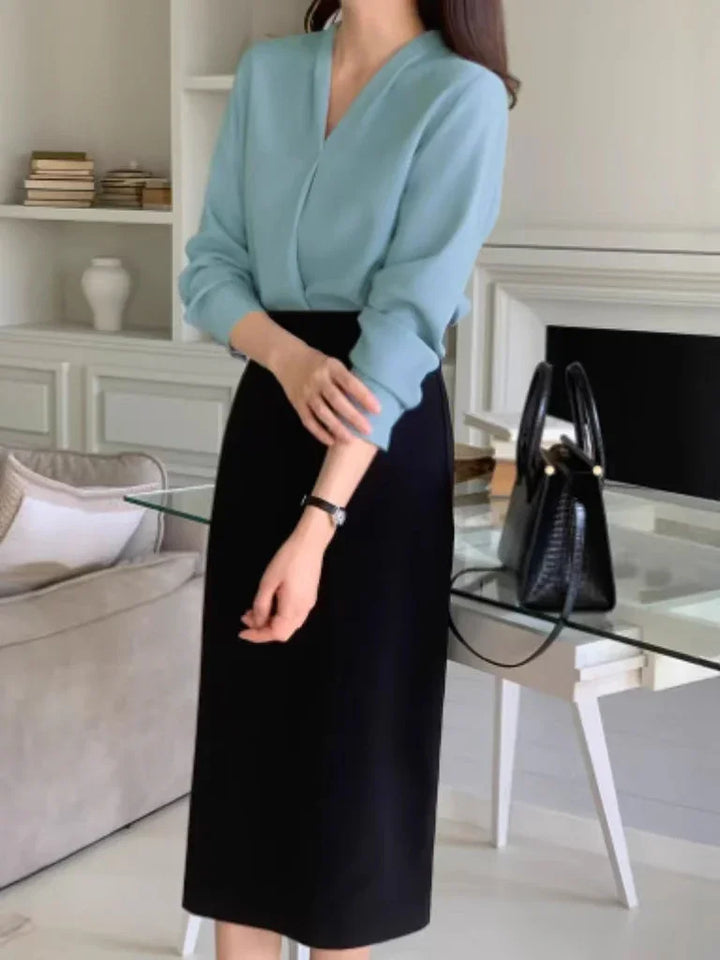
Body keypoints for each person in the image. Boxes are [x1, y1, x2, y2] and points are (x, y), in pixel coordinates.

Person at [178, 0, 518, 957]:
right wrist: (287, 362)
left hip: (376, 443)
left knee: (350, 768)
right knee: (248, 745)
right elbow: (210, 271)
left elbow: (410, 322)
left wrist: (320, 520)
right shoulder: (269, 73)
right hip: (272, 413)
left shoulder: (464, 94)